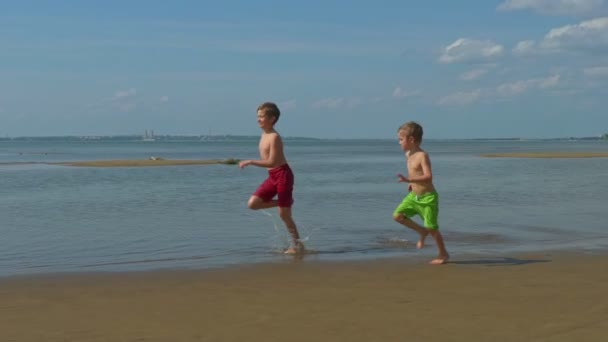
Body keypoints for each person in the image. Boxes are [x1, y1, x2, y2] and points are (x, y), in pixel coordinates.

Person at [239, 102, 304, 254]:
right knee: (253, 204)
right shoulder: (264, 135)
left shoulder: (274, 137)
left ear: (272, 119)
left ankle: (297, 245)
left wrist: (250, 161)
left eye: (261, 116)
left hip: (283, 175)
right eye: (258, 116)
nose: (258, 119)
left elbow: (272, 162)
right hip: (272, 176)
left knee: (284, 215)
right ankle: (284, 203)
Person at [393, 121, 449, 264]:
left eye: (400, 139)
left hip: (428, 199)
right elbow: (414, 172)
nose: (398, 142)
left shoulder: (422, 155)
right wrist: (411, 184)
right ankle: (421, 231)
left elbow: (428, 176)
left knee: (432, 228)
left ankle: (443, 254)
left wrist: (408, 179)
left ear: (411, 140)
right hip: (414, 197)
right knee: (398, 216)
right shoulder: (408, 154)